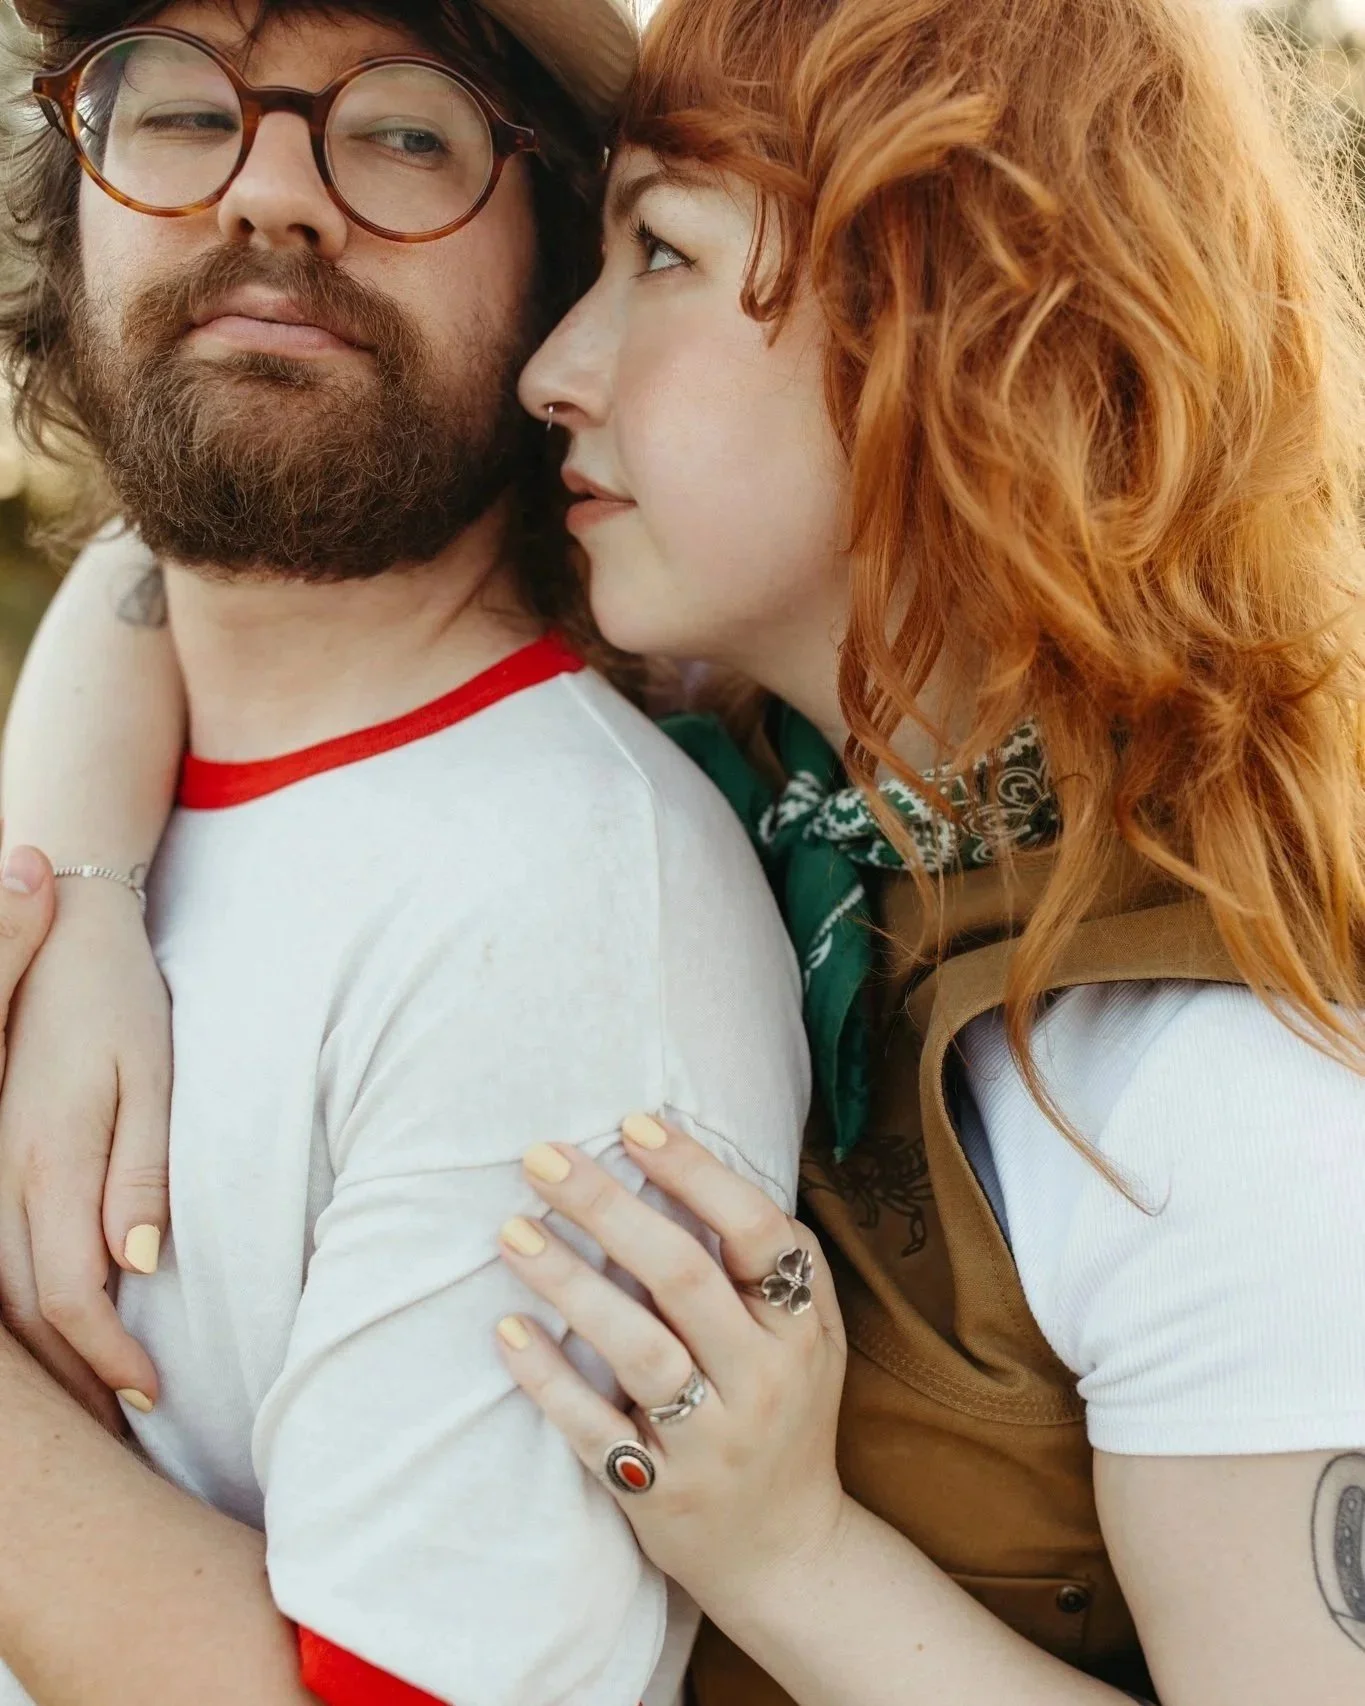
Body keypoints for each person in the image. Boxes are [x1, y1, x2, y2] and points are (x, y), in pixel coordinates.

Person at [4, 0, 1365, 1702]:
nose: (552, 367)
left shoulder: (1209, 1087)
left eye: (660, 251)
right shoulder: (780, 749)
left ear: (951, 326)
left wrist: (792, 1559)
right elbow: (172, 560)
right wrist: (81, 897)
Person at [0, 2, 810, 1704]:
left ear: (555, 268)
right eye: (178, 111)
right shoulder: (112, 787)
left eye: (402, 135)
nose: (269, 192)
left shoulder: (562, 904)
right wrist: (81, 891)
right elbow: (135, 562)